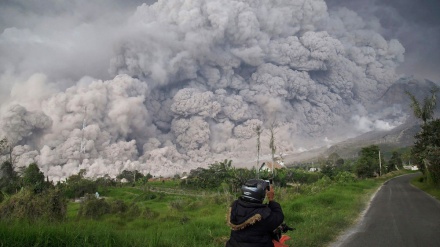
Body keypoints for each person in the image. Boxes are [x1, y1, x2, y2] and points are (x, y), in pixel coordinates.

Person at [226, 179, 284, 247]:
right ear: (259, 194)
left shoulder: (235, 205)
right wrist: (271, 199)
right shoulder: (263, 214)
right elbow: (278, 217)